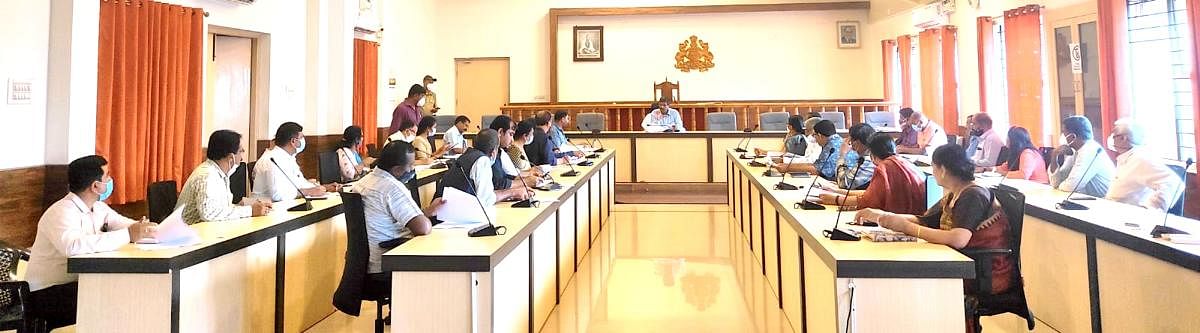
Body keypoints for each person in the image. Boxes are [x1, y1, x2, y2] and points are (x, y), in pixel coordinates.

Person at [855, 144, 1015, 332]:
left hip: (984, 271)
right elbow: (925, 220)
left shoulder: (973, 195)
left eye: (933, 167)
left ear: (943, 169)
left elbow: (959, 239)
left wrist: (908, 228)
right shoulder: (956, 193)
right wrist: (881, 215)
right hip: (967, 263)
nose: (933, 171)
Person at [24, 155, 158, 330]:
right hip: (44, 294)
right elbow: (73, 247)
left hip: (75, 285)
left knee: (118, 292)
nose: (111, 180)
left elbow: (122, 224)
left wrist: (143, 228)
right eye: (107, 177)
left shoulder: (98, 208)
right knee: (111, 299)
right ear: (96, 186)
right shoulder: (60, 212)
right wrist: (128, 234)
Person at [352, 140, 442, 275]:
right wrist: (428, 214)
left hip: (367, 264)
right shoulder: (391, 188)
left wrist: (425, 212)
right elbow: (423, 228)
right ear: (397, 170)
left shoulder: (362, 183)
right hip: (389, 262)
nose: (413, 169)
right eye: (411, 165)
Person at [178, 130, 272, 224]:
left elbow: (221, 209)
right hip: (186, 235)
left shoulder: (220, 173)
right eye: (241, 151)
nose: (242, 158)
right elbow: (209, 214)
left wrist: (249, 204)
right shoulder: (206, 175)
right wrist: (250, 211)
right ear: (231, 157)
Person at [818, 134, 927, 215]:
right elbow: (872, 193)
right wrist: (838, 191)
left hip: (899, 219)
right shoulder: (904, 162)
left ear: (872, 153)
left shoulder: (884, 168)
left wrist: (835, 199)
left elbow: (867, 201)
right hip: (915, 215)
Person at [436, 129, 531, 206]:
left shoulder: (468, 155)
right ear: (494, 152)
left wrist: (512, 193)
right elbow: (486, 200)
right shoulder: (482, 161)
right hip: (449, 218)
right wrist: (513, 193)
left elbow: (485, 194)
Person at [1104, 119, 1183, 211]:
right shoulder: (1127, 157)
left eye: (1114, 135)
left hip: (1128, 217)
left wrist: (1150, 208)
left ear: (1123, 138)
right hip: (1113, 210)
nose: (1110, 138)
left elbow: (1173, 182)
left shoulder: (1141, 158)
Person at [253, 122, 339, 202]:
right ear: (293, 141)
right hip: (270, 209)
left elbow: (300, 182)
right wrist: (307, 192)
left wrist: (323, 188)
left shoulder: (288, 157)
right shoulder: (272, 160)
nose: (304, 141)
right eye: (301, 138)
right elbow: (277, 195)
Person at [1049, 116, 1114, 198]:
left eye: (1064, 132)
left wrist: (1059, 186)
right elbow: (1055, 182)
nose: (1062, 135)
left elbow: (1071, 186)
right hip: (1093, 200)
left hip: (1108, 203)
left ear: (1072, 136)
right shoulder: (1076, 151)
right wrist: (1054, 155)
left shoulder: (1090, 150)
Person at [773, 120, 842, 180]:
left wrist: (787, 168)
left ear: (820, 135)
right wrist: (787, 165)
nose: (814, 139)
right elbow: (816, 165)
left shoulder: (832, 146)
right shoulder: (835, 141)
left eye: (814, 135)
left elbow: (817, 170)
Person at [489, 115, 539, 189]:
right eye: (511, 134)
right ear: (500, 132)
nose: (512, 140)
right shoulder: (490, 152)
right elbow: (498, 184)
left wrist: (527, 176)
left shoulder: (499, 151)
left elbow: (506, 176)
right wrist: (526, 182)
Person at [834, 123, 876, 190]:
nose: (850, 142)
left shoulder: (868, 161)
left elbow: (843, 184)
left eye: (852, 139)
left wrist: (842, 155)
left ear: (858, 141)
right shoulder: (866, 157)